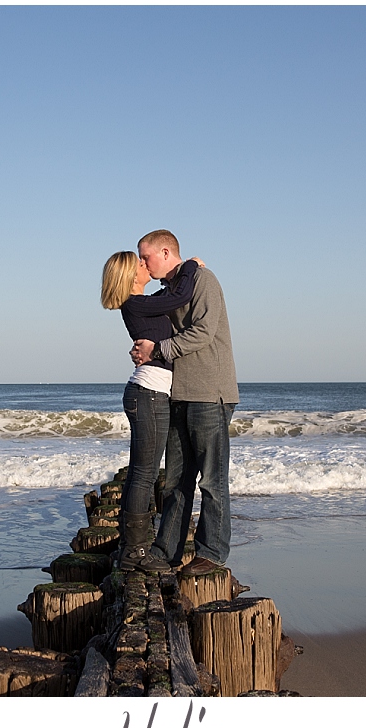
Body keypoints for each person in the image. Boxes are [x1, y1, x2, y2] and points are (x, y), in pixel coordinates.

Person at [130, 229, 238, 576]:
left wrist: (157, 349)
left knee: (212, 480)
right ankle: (166, 551)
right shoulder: (171, 292)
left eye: (145, 257)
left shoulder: (204, 281)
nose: (142, 264)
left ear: (165, 252)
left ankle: (212, 553)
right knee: (176, 479)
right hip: (178, 393)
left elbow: (203, 332)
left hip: (209, 392)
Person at [101, 250, 202, 572]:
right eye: (140, 263)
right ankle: (134, 553)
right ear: (131, 275)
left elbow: (170, 296)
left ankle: (134, 547)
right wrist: (189, 266)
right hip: (149, 394)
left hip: (151, 393)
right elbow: (181, 295)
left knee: (142, 472)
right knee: (143, 473)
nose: (146, 266)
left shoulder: (144, 302)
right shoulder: (135, 303)